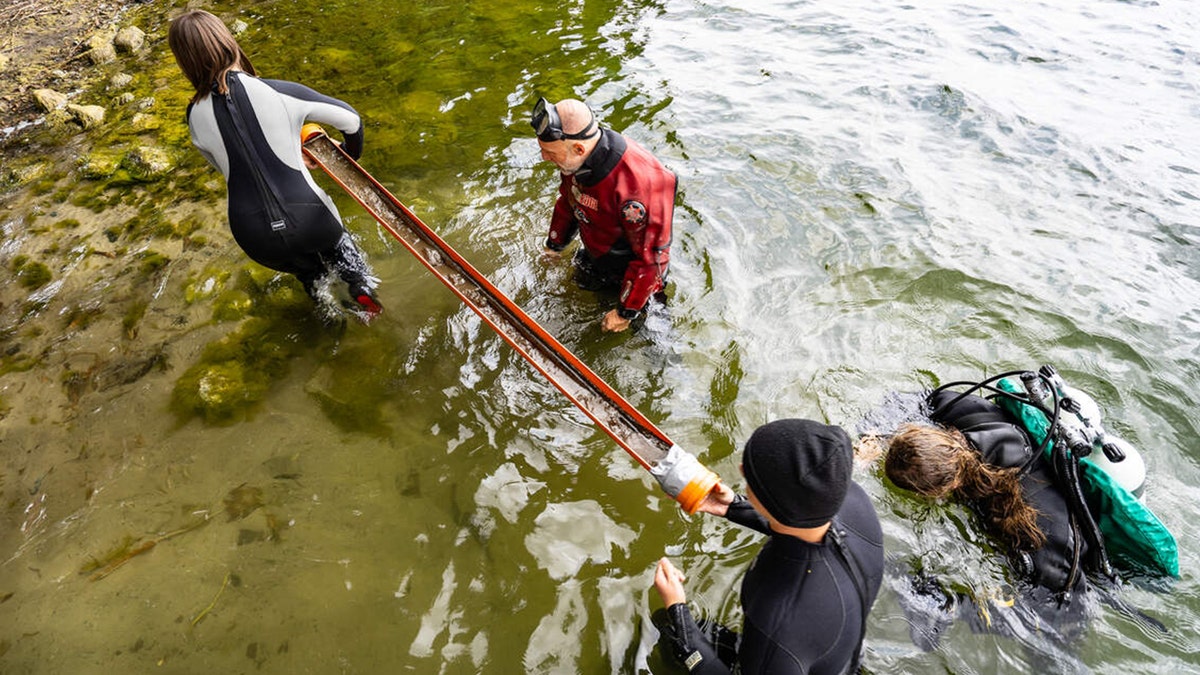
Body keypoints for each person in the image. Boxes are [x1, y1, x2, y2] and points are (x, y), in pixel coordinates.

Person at [168, 10, 382, 322]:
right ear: (227, 41)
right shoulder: (275, 91)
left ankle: (328, 315)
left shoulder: (193, 118)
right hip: (311, 216)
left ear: (184, 61)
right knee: (342, 252)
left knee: (309, 275)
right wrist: (347, 157)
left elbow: (230, 169)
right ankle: (360, 290)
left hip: (254, 236)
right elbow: (352, 121)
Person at [651, 419, 884, 674]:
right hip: (832, 653)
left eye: (750, 475)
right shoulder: (854, 501)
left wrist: (678, 610)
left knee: (669, 628)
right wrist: (733, 506)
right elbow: (800, 524)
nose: (741, 469)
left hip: (785, 655)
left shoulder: (778, 624)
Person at [884, 386, 1099, 600]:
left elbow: (1066, 610)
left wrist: (958, 601)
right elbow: (917, 396)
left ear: (936, 491)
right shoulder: (965, 414)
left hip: (1077, 561)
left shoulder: (1037, 525)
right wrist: (875, 437)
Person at [529, 97, 676, 332]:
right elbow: (568, 201)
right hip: (596, 253)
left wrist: (625, 312)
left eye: (549, 152)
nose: (544, 158)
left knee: (652, 337)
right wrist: (554, 247)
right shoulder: (575, 161)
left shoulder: (640, 183)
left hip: (636, 274)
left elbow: (652, 258)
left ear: (579, 148)